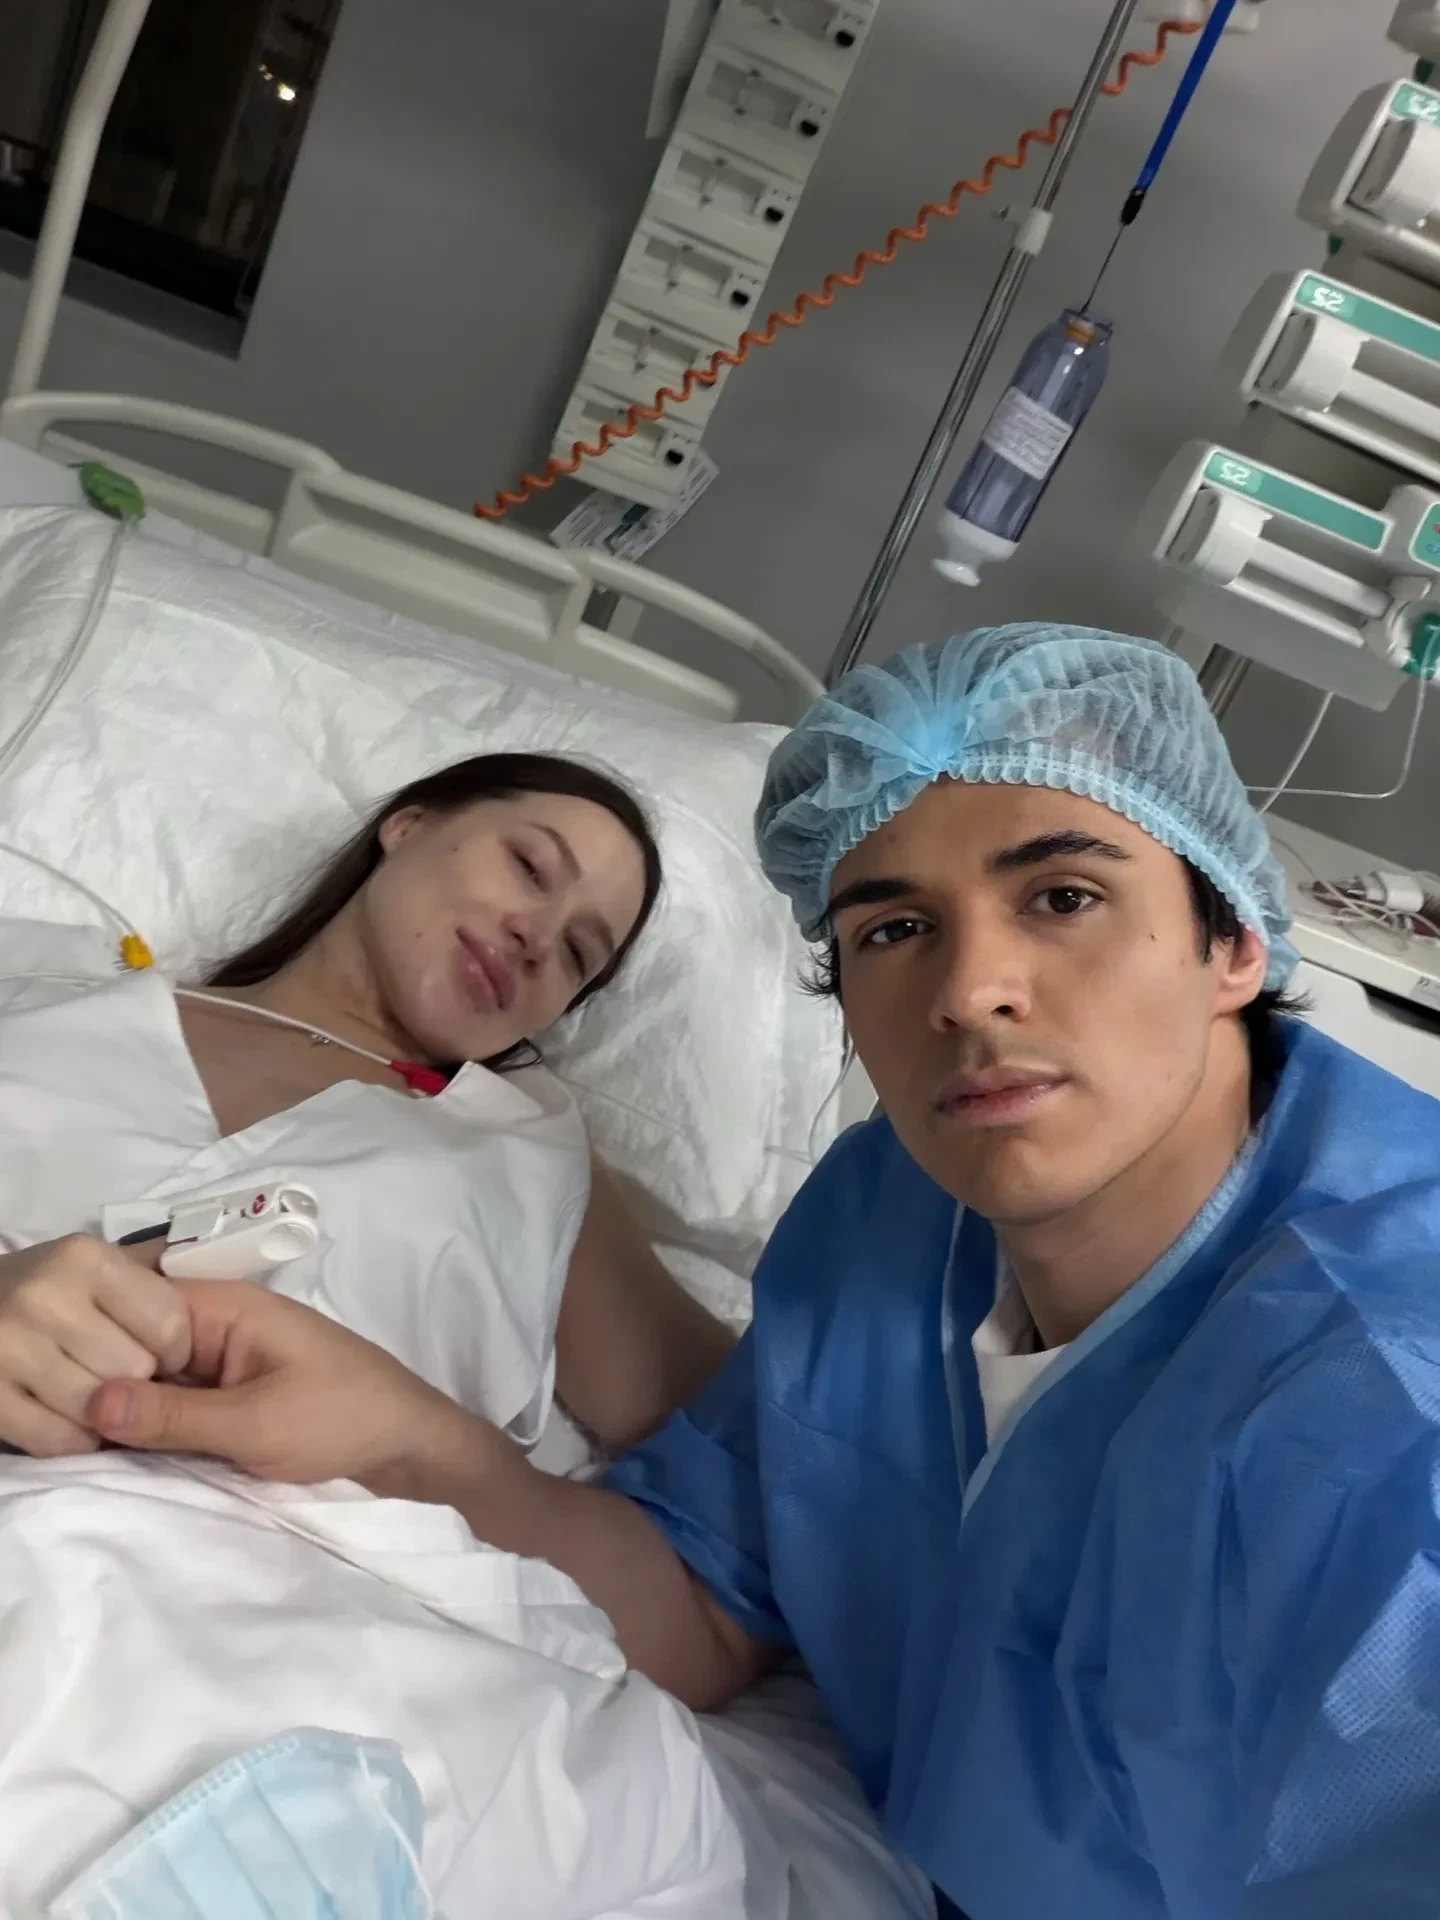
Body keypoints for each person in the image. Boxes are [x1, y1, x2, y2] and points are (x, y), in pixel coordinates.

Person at [77, 625, 1440, 1919]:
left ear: (1233, 941)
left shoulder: (1387, 1412)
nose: (970, 989)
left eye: (1064, 897)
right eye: (892, 928)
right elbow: (708, 1602)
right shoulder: (887, 1216)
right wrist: (397, 1435)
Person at [0, 751, 732, 1460]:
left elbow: (757, 1444)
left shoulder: (529, 1158)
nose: (538, 938)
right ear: (408, 825)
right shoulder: (46, 980)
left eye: (577, 954)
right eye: (530, 867)